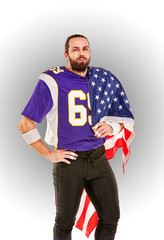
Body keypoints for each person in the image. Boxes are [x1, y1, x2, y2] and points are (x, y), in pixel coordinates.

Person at [18, 34, 135, 240]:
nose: (81, 53)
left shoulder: (101, 79)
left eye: (85, 48)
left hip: (98, 159)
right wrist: (49, 154)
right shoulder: (52, 80)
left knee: (111, 217)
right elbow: (25, 124)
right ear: (66, 54)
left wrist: (112, 126)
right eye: (75, 49)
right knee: (64, 222)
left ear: (89, 52)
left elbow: (121, 116)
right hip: (69, 160)